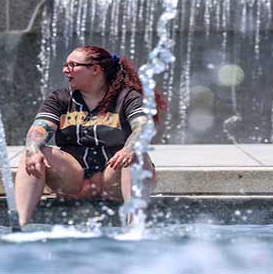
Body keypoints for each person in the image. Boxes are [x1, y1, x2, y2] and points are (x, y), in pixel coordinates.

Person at [15, 45, 166, 226]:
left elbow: (143, 126)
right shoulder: (60, 98)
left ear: (95, 69)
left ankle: (134, 229)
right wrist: (33, 149)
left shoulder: (127, 98)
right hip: (74, 176)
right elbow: (39, 129)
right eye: (65, 65)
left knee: (136, 154)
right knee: (32, 154)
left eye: (72, 65)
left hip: (115, 177)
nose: (65, 70)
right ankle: (19, 227)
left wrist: (129, 148)